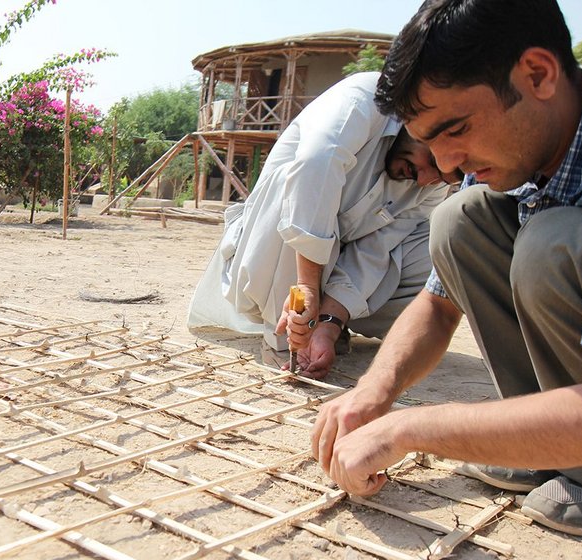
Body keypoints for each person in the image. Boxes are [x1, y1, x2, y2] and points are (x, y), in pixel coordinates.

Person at [312, 0, 582, 536]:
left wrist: (413, 428)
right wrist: (376, 390)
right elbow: (438, 306)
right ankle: (536, 440)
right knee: (462, 219)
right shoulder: (507, 150)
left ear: (538, 74)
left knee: (551, 243)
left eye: (455, 129)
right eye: (429, 140)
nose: (443, 164)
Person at [187, 72, 462, 379]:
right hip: (267, 258)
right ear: (419, 122)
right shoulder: (364, 99)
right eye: (433, 163)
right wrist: (305, 287)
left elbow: (377, 249)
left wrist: (329, 324)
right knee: (297, 184)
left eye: (442, 177)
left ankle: (323, 329)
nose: (425, 180)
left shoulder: (430, 182)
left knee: (439, 248)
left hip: (332, 278)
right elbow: (316, 164)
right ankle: (286, 339)